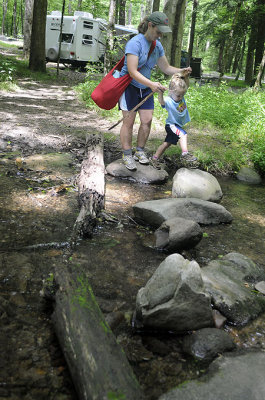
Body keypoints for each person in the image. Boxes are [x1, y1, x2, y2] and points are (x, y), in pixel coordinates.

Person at [119, 11, 192, 170]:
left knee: (147, 121)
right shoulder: (135, 43)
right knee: (128, 122)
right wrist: (152, 84)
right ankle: (127, 154)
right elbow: (132, 71)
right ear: (150, 26)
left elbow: (165, 67)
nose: (160, 36)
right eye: (158, 32)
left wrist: (182, 71)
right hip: (130, 87)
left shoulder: (157, 45)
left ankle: (139, 151)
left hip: (146, 88)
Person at [150, 72, 197, 169]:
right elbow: (161, 102)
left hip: (176, 125)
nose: (181, 97)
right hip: (171, 125)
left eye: (182, 95)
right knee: (183, 134)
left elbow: (186, 86)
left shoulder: (181, 96)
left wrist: (186, 76)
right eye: (179, 96)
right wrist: (160, 93)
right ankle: (185, 153)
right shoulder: (168, 100)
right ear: (171, 92)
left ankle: (154, 158)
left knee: (167, 143)